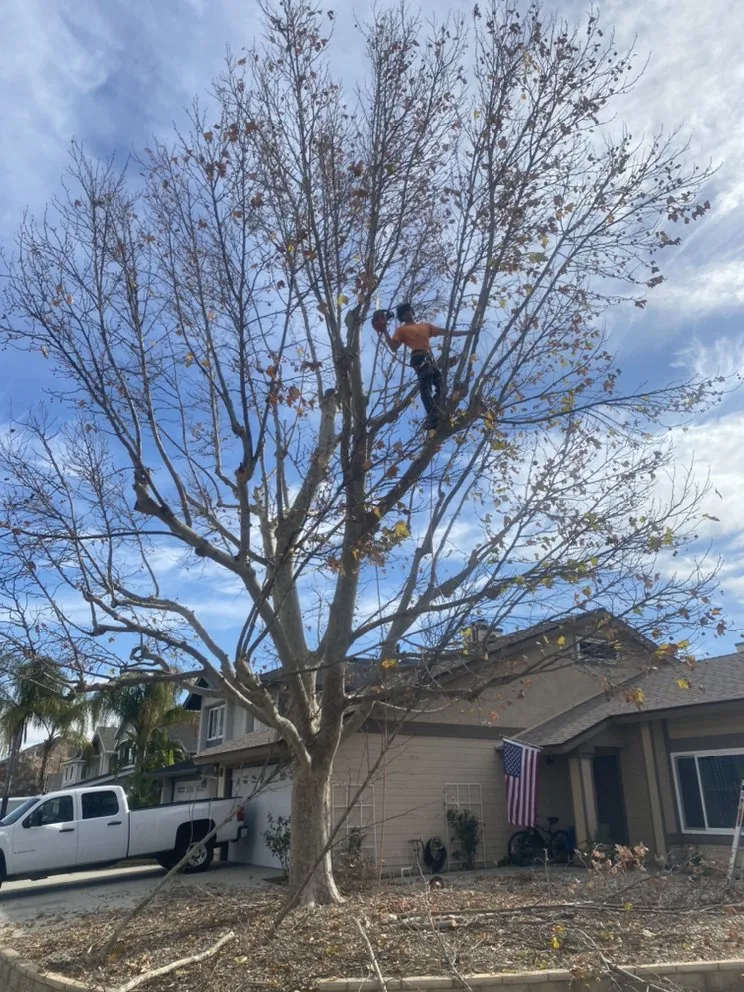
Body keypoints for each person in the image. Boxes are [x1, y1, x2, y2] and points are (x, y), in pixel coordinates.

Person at [371, 302, 467, 430]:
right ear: (401, 317)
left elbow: (446, 332)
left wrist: (468, 332)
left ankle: (436, 411)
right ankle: (433, 417)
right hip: (419, 357)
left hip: (430, 358)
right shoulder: (401, 330)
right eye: (404, 313)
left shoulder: (425, 326)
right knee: (426, 387)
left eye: (408, 310)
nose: (407, 313)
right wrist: (384, 331)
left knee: (442, 387)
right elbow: (394, 347)